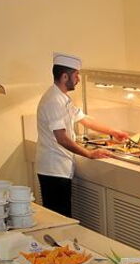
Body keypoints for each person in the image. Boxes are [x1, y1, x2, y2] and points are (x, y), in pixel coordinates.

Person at [36, 52, 128, 217]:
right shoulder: (53, 101)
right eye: (76, 75)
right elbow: (62, 138)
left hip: (60, 168)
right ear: (65, 77)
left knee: (62, 217)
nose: (78, 79)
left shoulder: (62, 98)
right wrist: (89, 154)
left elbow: (85, 120)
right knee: (60, 219)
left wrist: (113, 132)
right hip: (53, 170)